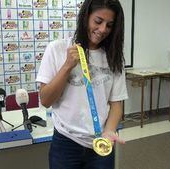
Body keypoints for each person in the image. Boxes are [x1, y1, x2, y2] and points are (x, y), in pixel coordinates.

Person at [36, 0, 128, 168]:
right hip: (66, 143)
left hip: (101, 143)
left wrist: (109, 132)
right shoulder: (57, 49)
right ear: (85, 17)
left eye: (109, 25)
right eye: (98, 21)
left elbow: (116, 104)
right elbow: (46, 100)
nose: (102, 30)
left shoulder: (114, 57)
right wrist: (67, 66)